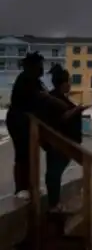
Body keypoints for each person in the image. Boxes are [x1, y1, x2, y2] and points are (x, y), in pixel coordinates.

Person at [7, 52, 80, 199]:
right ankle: (20, 188)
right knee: (22, 154)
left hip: (28, 122)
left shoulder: (35, 81)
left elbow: (44, 98)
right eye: (40, 66)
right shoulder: (25, 79)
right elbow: (42, 98)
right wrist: (62, 106)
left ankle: (30, 185)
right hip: (17, 120)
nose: (42, 69)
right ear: (32, 66)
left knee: (30, 154)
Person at [42, 64, 85, 211]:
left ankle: (54, 203)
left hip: (64, 143)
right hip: (58, 143)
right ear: (62, 83)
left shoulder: (59, 98)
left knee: (55, 172)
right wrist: (76, 110)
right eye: (68, 82)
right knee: (54, 173)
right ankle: (53, 204)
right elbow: (59, 119)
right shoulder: (53, 99)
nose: (70, 85)